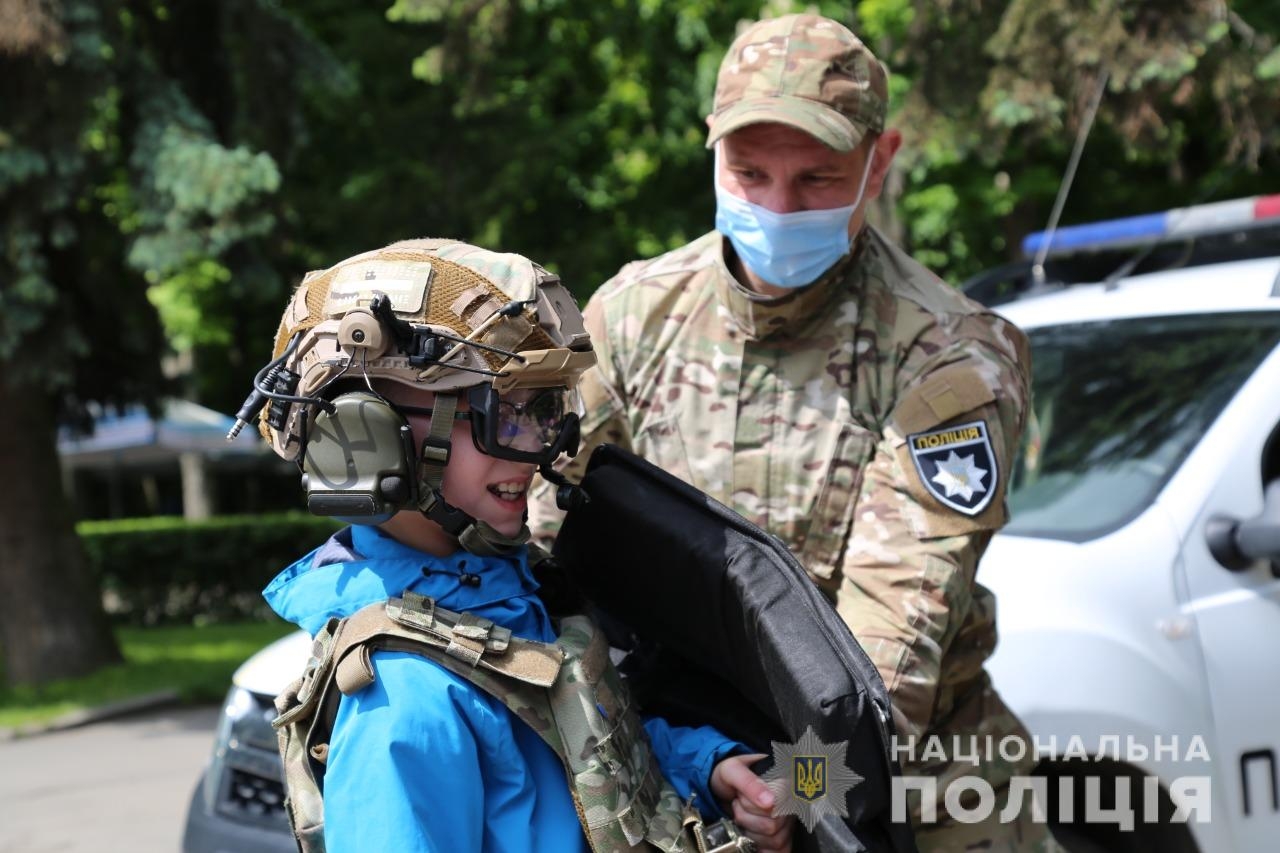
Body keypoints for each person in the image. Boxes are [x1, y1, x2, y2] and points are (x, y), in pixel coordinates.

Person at [528, 15, 1057, 852]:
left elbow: (892, 649)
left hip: (918, 791)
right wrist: (694, 757)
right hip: (697, 760)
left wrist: (802, 786)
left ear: (878, 165)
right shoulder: (629, 318)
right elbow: (544, 545)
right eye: (749, 173)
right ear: (711, 152)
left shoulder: (947, 354)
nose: (776, 207)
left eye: (816, 179)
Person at [251, 239, 794, 852]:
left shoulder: (509, 589)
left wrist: (707, 769)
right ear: (366, 431)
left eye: (544, 410)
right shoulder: (404, 700)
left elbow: (580, 737)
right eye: (502, 412)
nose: (538, 447)